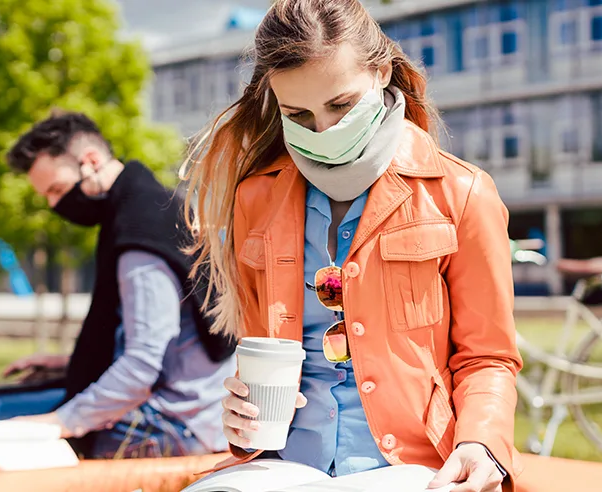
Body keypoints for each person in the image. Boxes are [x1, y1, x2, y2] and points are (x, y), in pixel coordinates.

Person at [181, 1, 523, 491]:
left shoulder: (461, 192)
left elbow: (488, 357)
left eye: (341, 105)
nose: (324, 131)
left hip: (413, 465)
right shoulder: (255, 197)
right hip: (282, 464)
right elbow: (262, 356)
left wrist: (481, 443)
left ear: (382, 71)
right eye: (297, 114)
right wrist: (242, 419)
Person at [0, 112, 236, 459]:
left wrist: (58, 423)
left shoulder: (138, 241)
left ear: (90, 161)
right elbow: (167, 345)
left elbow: (143, 366)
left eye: (56, 189)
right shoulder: (153, 205)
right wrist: (69, 364)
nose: (54, 205)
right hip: (188, 411)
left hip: (173, 425)